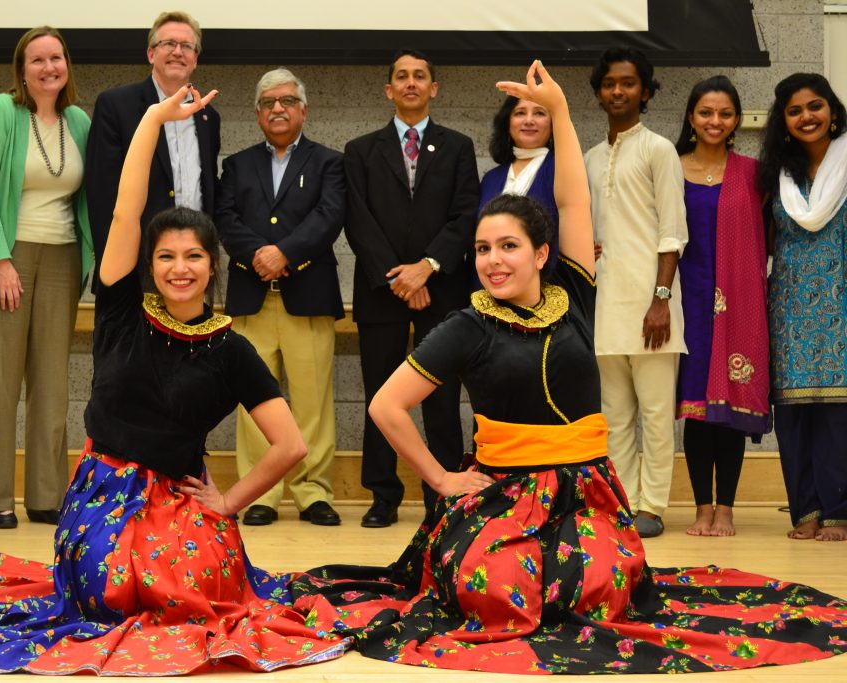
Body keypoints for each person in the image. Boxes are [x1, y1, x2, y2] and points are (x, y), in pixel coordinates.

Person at [288, 60, 847, 676]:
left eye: (507, 247)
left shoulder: (576, 294)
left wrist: (557, 110)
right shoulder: (467, 324)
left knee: (602, 584)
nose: (493, 261)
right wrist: (444, 481)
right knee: (498, 591)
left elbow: (574, 197)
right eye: (481, 249)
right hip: (499, 494)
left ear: (542, 253)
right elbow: (385, 406)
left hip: (584, 492)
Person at [0, 85, 348, 675]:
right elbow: (127, 211)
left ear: (212, 265)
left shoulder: (231, 347)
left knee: (199, 591)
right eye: (167, 257)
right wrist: (153, 118)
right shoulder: (123, 307)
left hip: (182, 501)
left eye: (194, 257)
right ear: (149, 265)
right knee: (115, 589)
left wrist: (227, 502)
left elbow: (292, 445)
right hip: (107, 494)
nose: (180, 269)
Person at [344, 49, 479, 527]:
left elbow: (466, 215)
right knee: (380, 395)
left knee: (441, 398)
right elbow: (357, 222)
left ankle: (440, 497)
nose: (410, 83)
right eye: (400, 76)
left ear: (434, 88)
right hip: (382, 294)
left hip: (442, 293)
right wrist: (400, 277)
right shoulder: (360, 150)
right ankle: (383, 496)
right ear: (388, 89)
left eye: (420, 76)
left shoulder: (459, 146)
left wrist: (427, 267)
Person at [0, 27, 94, 529]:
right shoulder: (2, 111)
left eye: (56, 58)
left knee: (52, 382)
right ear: (22, 69)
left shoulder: (78, 120)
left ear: (67, 65)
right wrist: (0, 259)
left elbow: (86, 199)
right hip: (9, 254)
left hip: (64, 258)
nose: (48, 68)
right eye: (37, 59)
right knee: (1, 380)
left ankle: (45, 495)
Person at [215, 68, 345, 527]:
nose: (278, 109)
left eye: (287, 101)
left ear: (303, 110)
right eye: (269, 102)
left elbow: (330, 216)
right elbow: (226, 219)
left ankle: (313, 492)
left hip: (307, 297)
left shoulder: (329, 162)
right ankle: (261, 492)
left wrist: (285, 253)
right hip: (251, 299)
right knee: (255, 403)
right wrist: (259, 257)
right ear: (256, 113)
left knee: (312, 400)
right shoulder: (236, 165)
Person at [583, 47, 688, 538]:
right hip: (606, 304)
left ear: (645, 92)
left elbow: (673, 231)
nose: (618, 91)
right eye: (610, 83)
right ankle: (621, 500)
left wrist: (661, 299)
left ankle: (653, 505)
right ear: (599, 91)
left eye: (628, 83)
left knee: (655, 412)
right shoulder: (590, 157)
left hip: (653, 306)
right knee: (614, 415)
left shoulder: (658, 149)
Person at [673, 76, 770, 537]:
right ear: (691, 117)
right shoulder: (671, 167)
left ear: (736, 121)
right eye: (706, 112)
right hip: (685, 300)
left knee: (728, 409)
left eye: (725, 114)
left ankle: (726, 508)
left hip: (741, 304)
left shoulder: (754, 173)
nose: (715, 121)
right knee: (695, 409)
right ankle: (701, 507)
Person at [758, 73, 847, 542]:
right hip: (790, 302)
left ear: (832, 110)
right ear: (784, 121)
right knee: (794, 411)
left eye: (815, 106)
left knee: (838, 409)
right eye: (795, 111)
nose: (806, 117)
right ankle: (806, 510)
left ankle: (839, 511)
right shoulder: (778, 173)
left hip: (842, 300)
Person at [85, 10, 220, 284]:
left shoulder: (209, 117)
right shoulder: (116, 106)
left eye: (187, 46)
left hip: (191, 270)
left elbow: (207, 190)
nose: (178, 52)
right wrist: (113, 271)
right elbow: (102, 194)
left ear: (195, 59)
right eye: (168, 44)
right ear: (151, 54)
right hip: (133, 268)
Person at [476, 94, 558, 280]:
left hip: (544, 289)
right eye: (520, 113)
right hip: (490, 288)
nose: (529, 120)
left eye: (539, 113)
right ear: (507, 122)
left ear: (553, 124)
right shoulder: (490, 179)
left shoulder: (562, 170)